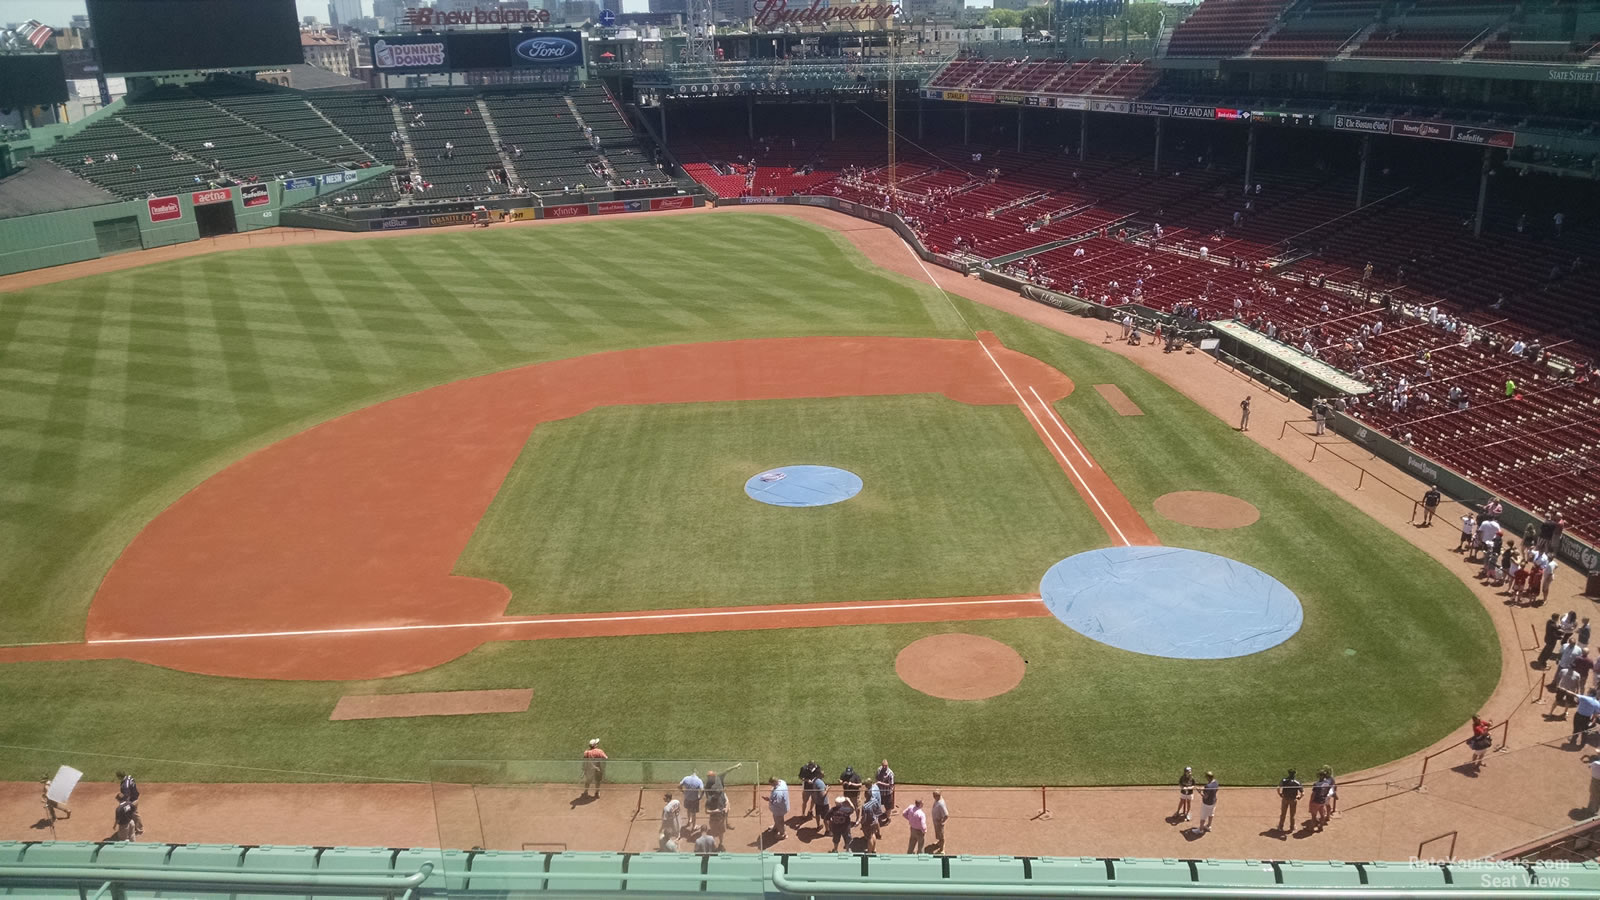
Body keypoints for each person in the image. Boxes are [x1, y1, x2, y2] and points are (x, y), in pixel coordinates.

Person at [115, 772, 143, 836]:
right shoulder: (129, 777)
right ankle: (135, 828)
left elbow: (127, 796)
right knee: (132, 814)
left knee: (134, 814)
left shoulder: (125, 786)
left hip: (132, 801)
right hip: (135, 797)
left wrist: (126, 804)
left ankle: (139, 830)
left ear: (119, 777)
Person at [1276, 769, 1302, 834]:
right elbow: (1303, 793)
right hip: (1293, 800)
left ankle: (1280, 826)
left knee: (1283, 814)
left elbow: (1278, 788)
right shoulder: (1297, 782)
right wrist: (1299, 797)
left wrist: (1280, 794)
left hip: (1285, 799)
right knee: (1292, 815)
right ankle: (1292, 827)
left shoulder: (1284, 780)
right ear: (1294, 774)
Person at [857, 787, 883, 852]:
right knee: (873, 834)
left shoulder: (865, 806)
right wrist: (875, 818)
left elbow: (864, 818)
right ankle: (874, 849)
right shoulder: (875, 800)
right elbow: (879, 811)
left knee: (869, 837)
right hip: (875, 821)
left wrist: (861, 822)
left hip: (868, 823)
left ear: (866, 795)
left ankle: (869, 852)